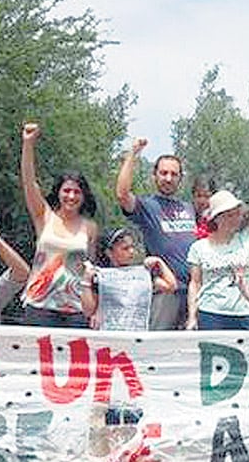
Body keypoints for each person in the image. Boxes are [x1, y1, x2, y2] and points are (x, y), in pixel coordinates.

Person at [19, 122, 99, 328]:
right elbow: (29, 182)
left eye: (77, 192)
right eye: (66, 191)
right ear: (58, 192)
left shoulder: (90, 227)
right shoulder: (44, 216)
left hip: (75, 309)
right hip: (40, 305)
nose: (71, 196)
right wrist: (28, 144)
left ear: (84, 196)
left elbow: (91, 270)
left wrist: (96, 308)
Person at [116, 137, 198, 329]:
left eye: (174, 174)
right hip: (166, 291)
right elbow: (122, 194)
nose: (168, 178)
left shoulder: (189, 208)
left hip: (195, 292)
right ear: (155, 176)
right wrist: (133, 154)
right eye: (163, 173)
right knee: (158, 346)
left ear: (180, 178)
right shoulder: (148, 206)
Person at [186, 190, 249, 330]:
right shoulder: (199, 247)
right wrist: (192, 317)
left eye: (237, 214)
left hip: (245, 312)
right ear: (217, 218)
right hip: (211, 312)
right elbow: (195, 283)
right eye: (229, 215)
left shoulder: (247, 240)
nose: (235, 219)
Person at [81, 227, 177, 331]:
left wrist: (160, 263)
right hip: (109, 334)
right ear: (109, 253)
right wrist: (86, 281)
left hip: (136, 334)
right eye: (125, 248)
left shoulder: (141, 275)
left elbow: (171, 286)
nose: (131, 251)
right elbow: (88, 311)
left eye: (132, 247)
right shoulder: (101, 277)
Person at [192, 174, 217, 239]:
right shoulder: (187, 220)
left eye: (207, 196)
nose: (202, 201)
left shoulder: (219, 223)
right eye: (198, 196)